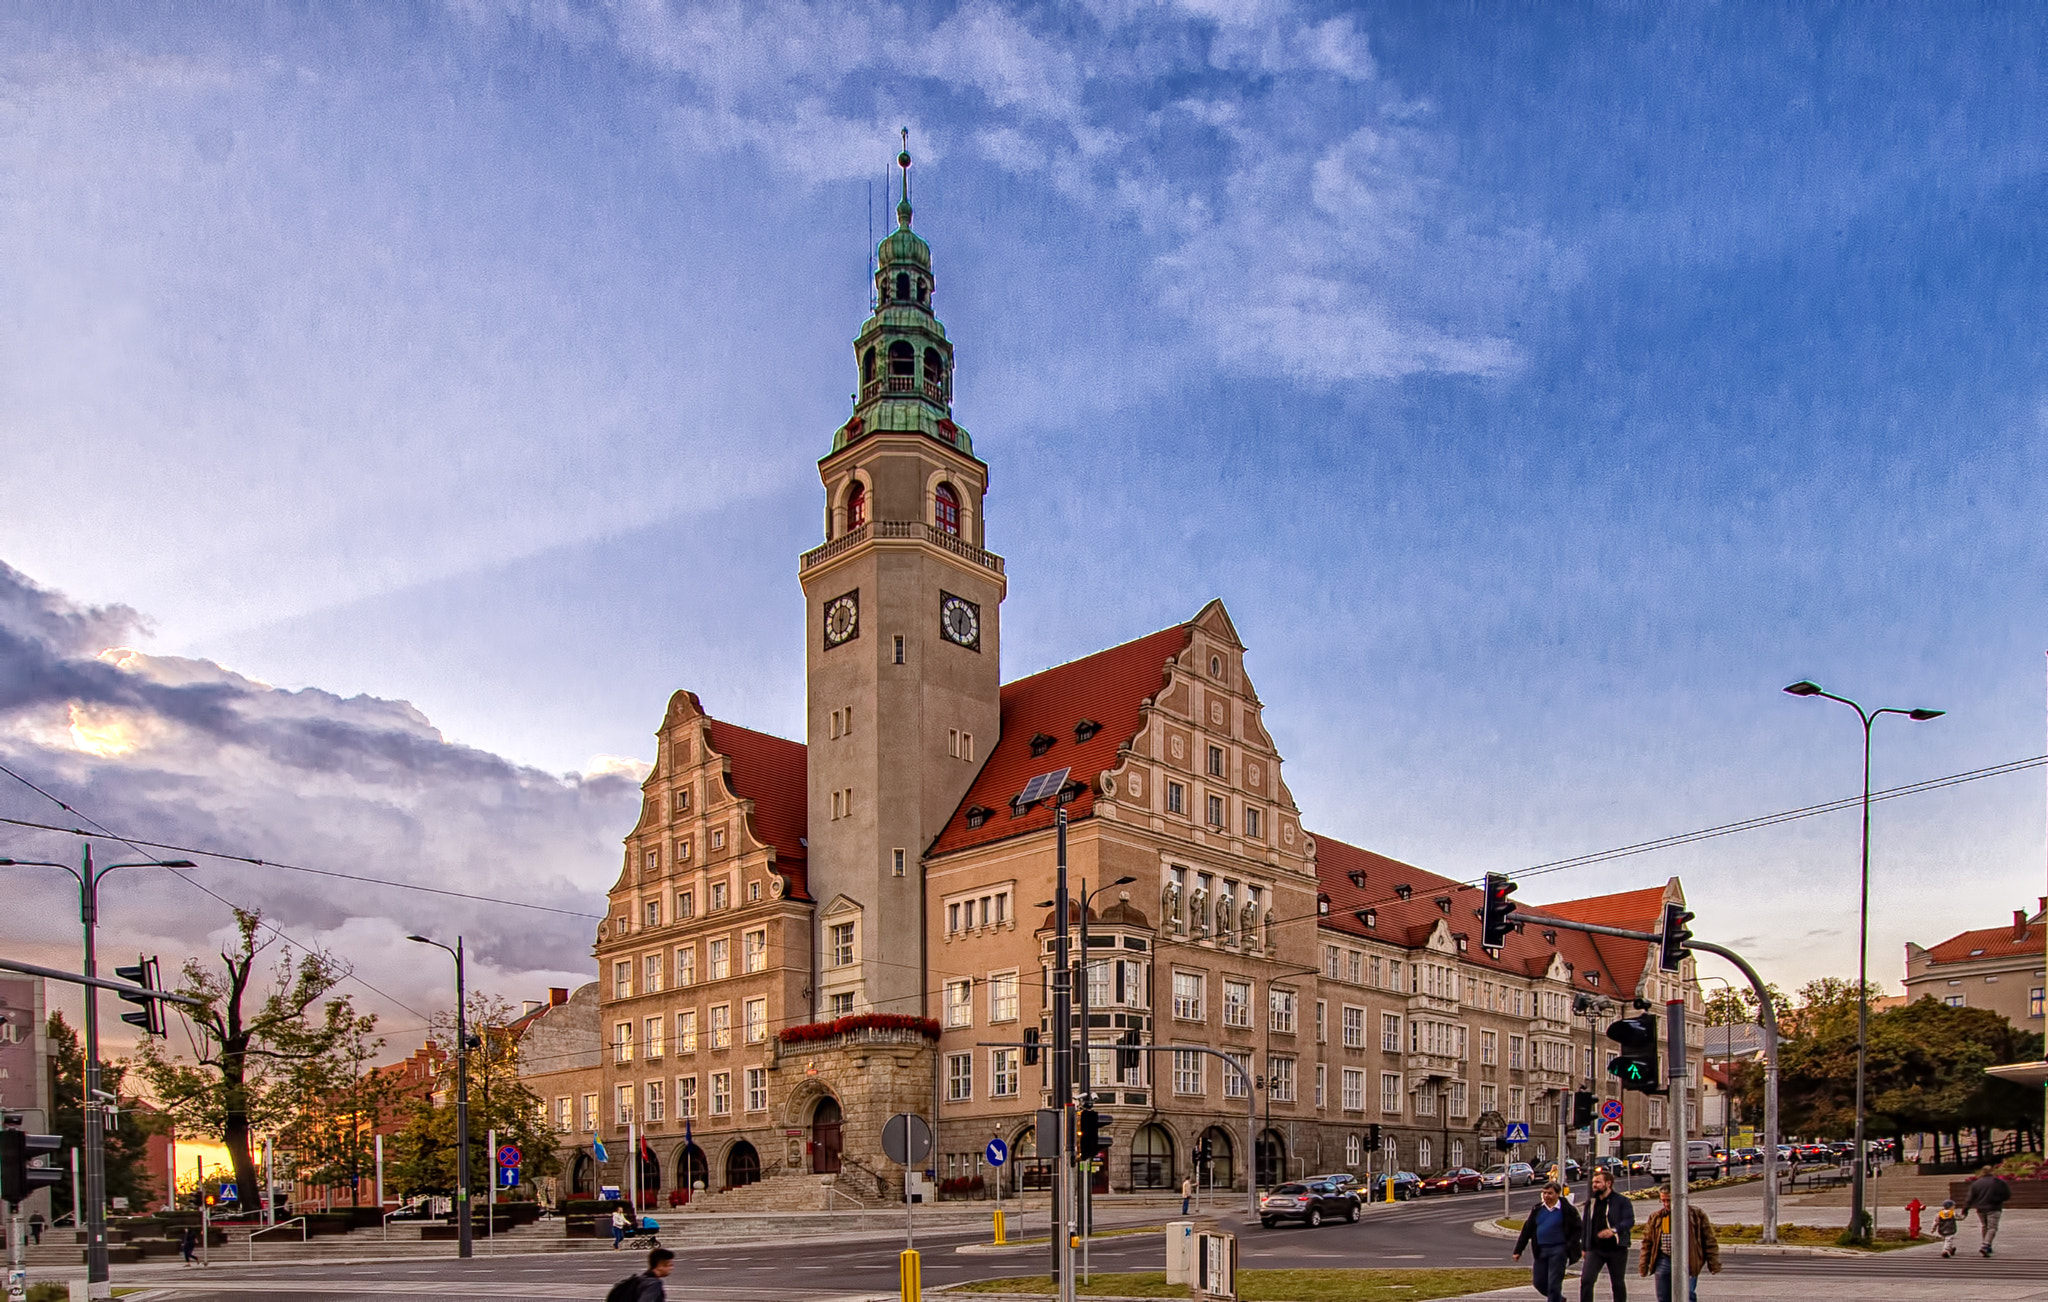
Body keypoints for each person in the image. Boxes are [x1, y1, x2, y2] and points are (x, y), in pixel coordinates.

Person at [1637, 1186, 1720, 1302]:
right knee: (1663, 1296)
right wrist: (1643, 1265)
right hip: (1664, 1259)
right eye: (1663, 1200)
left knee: (1687, 1294)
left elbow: (1709, 1240)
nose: (1666, 1204)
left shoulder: (1696, 1215)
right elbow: (1647, 1243)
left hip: (1688, 1259)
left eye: (1669, 1200)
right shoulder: (1657, 1217)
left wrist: (1713, 1263)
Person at [1513, 1181, 1583, 1302]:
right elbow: (1527, 1230)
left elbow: (1578, 1229)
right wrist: (1518, 1250)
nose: (1546, 1196)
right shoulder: (1537, 1209)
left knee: (1554, 1283)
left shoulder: (1567, 1210)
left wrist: (1570, 1245)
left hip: (1559, 1250)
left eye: (1550, 1193)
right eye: (1544, 1193)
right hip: (1541, 1251)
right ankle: (1558, 1299)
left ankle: (1554, 1298)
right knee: (1539, 1282)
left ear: (1558, 1194)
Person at [1579, 1167, 1635, 1302]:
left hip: (1616, 1248)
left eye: (1598, 1182)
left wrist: (1613, 1230)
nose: (1594, 1185)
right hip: (1595, 1249)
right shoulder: (1591, 1202)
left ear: (1608, 1183)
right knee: (1586, 1280)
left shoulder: (1621, 1201)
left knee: (1617, 1283)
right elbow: (1586, 1225)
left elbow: (1629, 1220)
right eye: (1593, 1182)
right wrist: (1584, 1246)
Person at [1960, 1169, 2011, 1257]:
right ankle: (1986, 1245)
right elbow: (2007, 1194)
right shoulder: (1998, 1182)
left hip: (1980, 1209)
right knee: (1992, 1227)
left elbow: (1970, 1198)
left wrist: (1965, 1210)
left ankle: (1987, 1245)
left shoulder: (1976, 1184)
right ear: (1992, 1172)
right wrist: (1998, 1200)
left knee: (1985, 1226)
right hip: (1994, 1207)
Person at [607, 1246, 675, 1302]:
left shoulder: (639, 1280)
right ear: (659, 1266)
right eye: (670, 1265)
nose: (672, 1268)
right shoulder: (653, 1283)